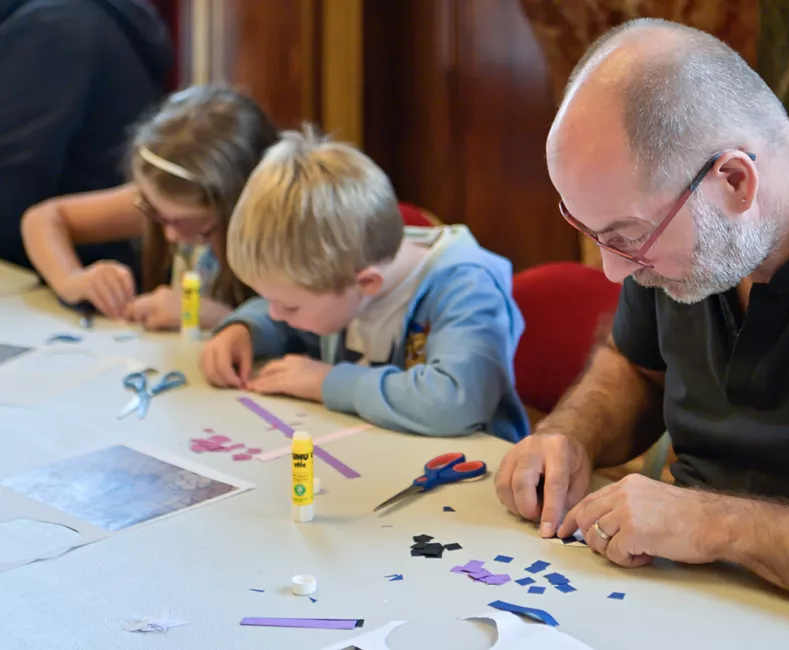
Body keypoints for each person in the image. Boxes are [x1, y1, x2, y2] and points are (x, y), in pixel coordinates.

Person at [494, 18, 789, 645]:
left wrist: (722, 527)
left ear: (736, 181)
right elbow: (636, 364)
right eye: (596, 236)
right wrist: (570, 434)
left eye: (629, 237)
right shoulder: (693, 232)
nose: (615, 270)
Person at [198, 129, 529, 442]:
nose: (275, 312)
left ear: (367, 283)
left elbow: (453, 402)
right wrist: (246, 328)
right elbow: (291, 313)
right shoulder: (346, 276)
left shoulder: (466, 287)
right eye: (268, 299)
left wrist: (325, 382)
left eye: (289, 306)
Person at [22, 85, 279, 330]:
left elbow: (306, 340)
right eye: (154, 210)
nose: (171, 235)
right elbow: (43, 218)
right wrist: (72, 279)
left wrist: (219, 318)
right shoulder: (171, 200)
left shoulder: (284, 235)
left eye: (196, 224)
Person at [0, 0, 173, 271]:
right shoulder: (91, 12)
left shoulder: (52, 25)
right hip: (102, 266)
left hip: (67, 274)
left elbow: (10, 184)